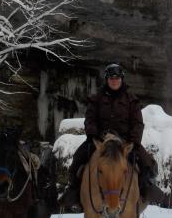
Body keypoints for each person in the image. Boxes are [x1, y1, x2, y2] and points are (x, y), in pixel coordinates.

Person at [60, 63, 164, 210]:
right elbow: (90, 119)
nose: (114, 81)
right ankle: (75, 191)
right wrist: (93, 135)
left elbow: (138, 123)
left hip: (125, 142)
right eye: (111, 78)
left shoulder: (131, 100)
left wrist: (133, 141)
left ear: (121, 79)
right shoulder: (96, 99)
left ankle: (144, 189)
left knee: (146, 163)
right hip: (101, 141)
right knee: (78, 158)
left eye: (117, 78)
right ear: (107, 80)